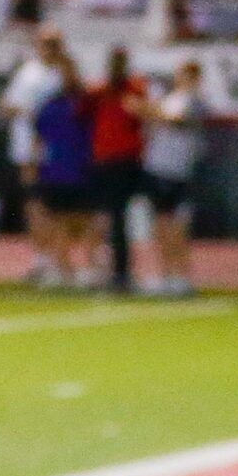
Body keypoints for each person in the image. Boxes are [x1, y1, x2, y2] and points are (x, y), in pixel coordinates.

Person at [1, 29, 66, 284]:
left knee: (57, 207)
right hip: (29, 148)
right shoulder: (28, 73)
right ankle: (42, 259)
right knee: (35, 204)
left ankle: (58, 260)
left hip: (59, 150)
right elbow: (7, 106)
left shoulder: (63, 73)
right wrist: (31, 113)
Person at [31, 54, 97, 283]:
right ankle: (63, 268)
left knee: (85, 219)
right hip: (58, 170)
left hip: (80, 168)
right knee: (59, 220)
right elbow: (38, 138)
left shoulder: (85, 102)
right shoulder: (51, 104)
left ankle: (89, 266)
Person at [87, 46, 147, 294]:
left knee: (118, 217)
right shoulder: (100, 91)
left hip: (124, 161)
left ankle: (120, 271)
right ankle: (100, 268)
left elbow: (140, 113)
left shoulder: (132, 89)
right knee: (104, 217)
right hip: (104, 159)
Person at [140, 60, 203, 296]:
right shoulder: (171, 98)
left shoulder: (193, 100)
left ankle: (181, 275)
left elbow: (175, 120)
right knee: (161, 224)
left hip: (176, 169)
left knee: (176, 225)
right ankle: (166, 273)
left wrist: (146, 109)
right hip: (158, 167)